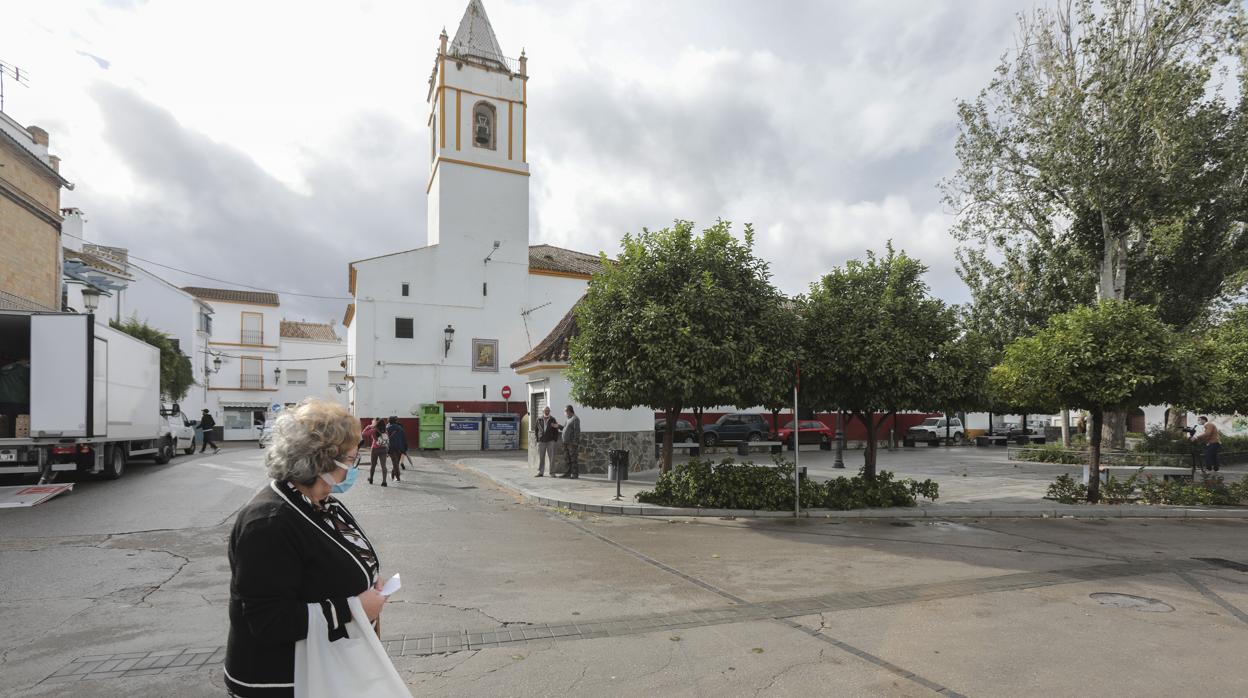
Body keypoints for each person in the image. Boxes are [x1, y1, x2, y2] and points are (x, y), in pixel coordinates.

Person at [224, 398, 386, 697]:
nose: (354, 467)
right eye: (350, 459)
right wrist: (354, 609)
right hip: (284, 682)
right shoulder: (268, 523)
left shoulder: (321, 502)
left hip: (326, 670)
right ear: (322, 461)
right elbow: (268, 620)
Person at [534, 406, 559, 477]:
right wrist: (537, 439)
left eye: (548, 410)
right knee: (541, 457)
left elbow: (556, 431)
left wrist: (554, 440)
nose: (547, 412)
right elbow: (536, 430)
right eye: (545, 410)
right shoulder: (538, 419)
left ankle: (552, 473)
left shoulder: (553, 419)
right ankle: (540, 472)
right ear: (543, 411)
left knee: (552, 458)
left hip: (550, 441)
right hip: (541, 441)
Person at [559, 405, 581, 479]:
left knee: (573, 459)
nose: (564, 413)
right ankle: (568, 473)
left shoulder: (575, 419)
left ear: (569, 411)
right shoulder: (568, 419)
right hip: (566, 443)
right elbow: (564, 429)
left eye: (565, 411)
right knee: (567, 459)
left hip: (571, 443)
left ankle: (574, 474)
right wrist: (558, 426)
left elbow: (577, 431)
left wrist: (575, 442)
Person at [366, 418, 389, 486]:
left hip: (375, 449)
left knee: (373, 465)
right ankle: (384, 482)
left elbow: (364, 433)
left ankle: (371, 479)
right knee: (383, 466)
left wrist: (369, 426)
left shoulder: (373, 430)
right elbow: (387, 440)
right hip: (384, 449)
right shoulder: (385, 431)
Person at [386, 417, 407, 483]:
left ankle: (397, 478)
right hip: (400, 448)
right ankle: (393, 475)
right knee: (396, 462)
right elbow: (404, 439)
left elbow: (385, 440)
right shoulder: (400, 428)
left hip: (391, 448)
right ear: (396, 421)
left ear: (389, 422)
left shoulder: (387, 429)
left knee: (395, 463)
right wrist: (405, 449)